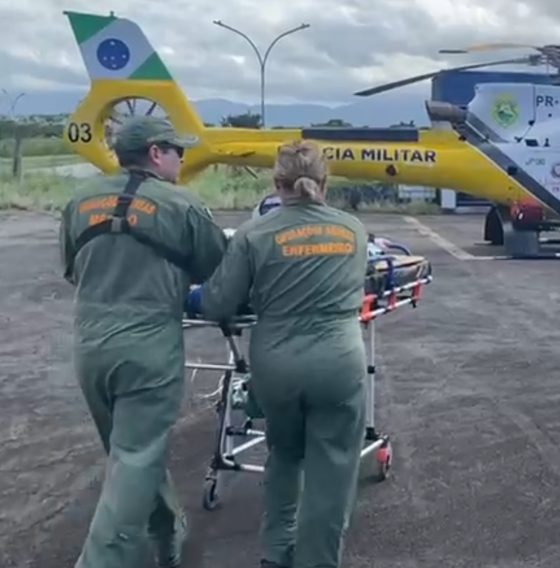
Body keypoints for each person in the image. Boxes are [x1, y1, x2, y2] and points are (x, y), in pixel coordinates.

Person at [59, 115, 228, 568]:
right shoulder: (182, 206)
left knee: (130, 452)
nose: (183, 159)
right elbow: (219, 273)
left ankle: (167, 533)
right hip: (148, 348)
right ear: (156, 153)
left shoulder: (79, 201)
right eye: (179, 151)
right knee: (134, 458)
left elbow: (72, 269)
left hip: (90, 346)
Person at [199, 140, 369, 568]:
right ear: (325, 182)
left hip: (276, 366)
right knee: (331, 472)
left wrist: (189, 298)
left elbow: (219, 303)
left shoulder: (255, 234)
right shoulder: (353, 230)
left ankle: (276, 555)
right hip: (337, 361)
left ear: (276, 185)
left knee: (284, 454)